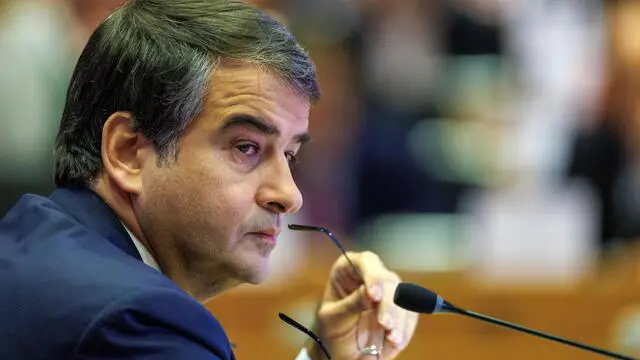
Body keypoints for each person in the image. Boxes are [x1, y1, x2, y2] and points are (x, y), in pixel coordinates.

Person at [0, 1, 419, 359]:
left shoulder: (34, 239)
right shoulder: (138, 319)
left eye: (290, 154)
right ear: (127, 152)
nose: (289, 196)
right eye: (246, 148)